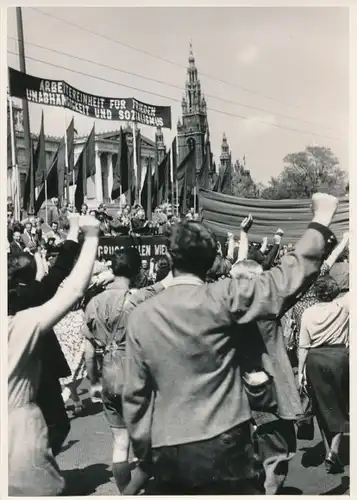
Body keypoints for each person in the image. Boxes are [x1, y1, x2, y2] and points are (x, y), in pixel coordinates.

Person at [123, 193, 339, 495]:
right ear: (212, 260)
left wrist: (145, 451)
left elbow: (134, 395)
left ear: (171, 258)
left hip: (166, 446)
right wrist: (321, 220)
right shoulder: (223, 299)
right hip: (226, 442)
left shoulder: (141, 314)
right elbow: (284, 278)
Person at [8, 214, 100, 495]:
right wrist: (83, 234)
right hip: (34, 373)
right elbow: (67, 281)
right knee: (57, 422)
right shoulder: (29, 302)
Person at [83, 248, 172, 494]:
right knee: (149, 440)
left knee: (120, 443)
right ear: (135, 271)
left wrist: (93, 382)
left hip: (108, 376)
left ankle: (125, 491)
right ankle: (142, 489)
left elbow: (88, 351)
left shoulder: (93, 303)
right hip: (135, 373)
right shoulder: (139, 297)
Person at [8, 215, 82, 458]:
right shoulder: (36, 294)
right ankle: (36, 465)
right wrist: (74, 233)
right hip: (40, 367)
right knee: (58, 423)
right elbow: (60, 270)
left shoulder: (16, 296)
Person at [298, 276, 349, 473]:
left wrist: (300, 371)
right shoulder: (342, 308)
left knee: (321, 406)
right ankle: (334, 451)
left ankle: (329, 448)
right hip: (338, 357)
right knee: (341, 404)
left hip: (314, 359)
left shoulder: (308, 312)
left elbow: (303, 345)